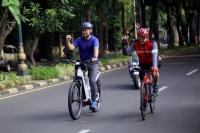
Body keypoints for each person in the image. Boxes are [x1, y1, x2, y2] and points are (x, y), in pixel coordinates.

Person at [66, 22, 100, 110]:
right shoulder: (79, 40)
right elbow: (71, 48)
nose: (84, 31)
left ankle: (94, 101)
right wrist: (68, 41)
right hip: (83, 62)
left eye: (85, 30)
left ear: (90, 31)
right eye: (83, 30)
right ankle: (81, 95)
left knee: (92, 81)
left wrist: (95, 57)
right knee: (78, 77)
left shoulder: (94, 40)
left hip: (93, 62)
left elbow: (96, 49)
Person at [127, 27, 159, 94]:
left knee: (155, 73)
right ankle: (143, 100)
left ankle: (155, 85)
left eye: (143, 38)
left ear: (147, 37)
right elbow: (128, 51)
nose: (141, 40)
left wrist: (155, 66)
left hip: (152, 62)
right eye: (139, 38)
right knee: (142, 80)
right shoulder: (135, 44)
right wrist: (126, 49)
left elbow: (154, 55)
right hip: (142, 63)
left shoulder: (152, 43)